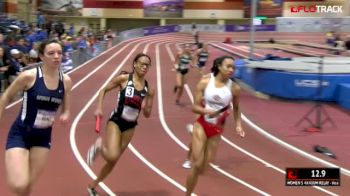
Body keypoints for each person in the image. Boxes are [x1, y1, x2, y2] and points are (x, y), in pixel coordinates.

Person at [0, 39, 72, 195]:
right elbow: (5, 97)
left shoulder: (66, 81)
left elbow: (66, 108)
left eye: (59, 53)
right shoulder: (29, 76)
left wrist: (65, 115)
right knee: (19, 184)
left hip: (43, 137)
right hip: (21, 133)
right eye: (51, 53)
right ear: (41, 56)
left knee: (28, 186)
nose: (56, 56)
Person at [86, 53, 155, 196]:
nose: (144, 66)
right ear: (134, 64)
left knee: (113, 161)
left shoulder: (149, 89)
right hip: (116, 121)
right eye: (141, 63)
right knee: (111, 156)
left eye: (147, 65)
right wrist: (99, 107)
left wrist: (146, 107)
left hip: (130, 126)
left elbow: (147, 114)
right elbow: (103, 90)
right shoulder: (124, 79)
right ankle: (99, 147)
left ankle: (93, 186)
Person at [185, 56, 245, 196]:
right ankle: (188, 194)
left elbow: (236, 108)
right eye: (228, 66)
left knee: (204, 168)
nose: (231, 70)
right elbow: (194, 107)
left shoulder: (234, 88)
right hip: (202, 124)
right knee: (197, 163)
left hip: (217, 130)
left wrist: (238, 125)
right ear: (218, 66)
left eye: (233, 67)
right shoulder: (206, 82)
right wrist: (206, 111)